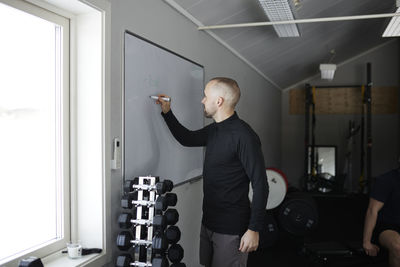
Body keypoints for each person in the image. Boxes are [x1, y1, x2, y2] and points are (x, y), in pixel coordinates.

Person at [156, 77, 268, 267]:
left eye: (205, 96)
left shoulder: (244, 136)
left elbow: (261, 185)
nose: (202, 100)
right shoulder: (215, 130)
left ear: (219, 101)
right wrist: (167, 112)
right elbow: (187, 138)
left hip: (232, 227)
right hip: (208, 221)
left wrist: (254, 229)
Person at [362, 167, 400, 267]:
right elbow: (372, 210)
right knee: (398, 246)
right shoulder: (386, 180)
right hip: (388, 227)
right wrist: (367, 242)